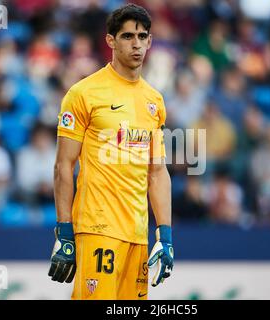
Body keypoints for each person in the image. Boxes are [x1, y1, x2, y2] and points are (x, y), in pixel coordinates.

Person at [48, 4, 173, 300]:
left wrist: (164, 237)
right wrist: (64, 231)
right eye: (128, 36)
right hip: (97, 227)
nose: (137, 44)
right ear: (111, 41)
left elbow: (157, 172)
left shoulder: (154, 100)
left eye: (143, 37)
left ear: (150, 41)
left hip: (138, 234)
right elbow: (63, 165)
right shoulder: (84, 93)